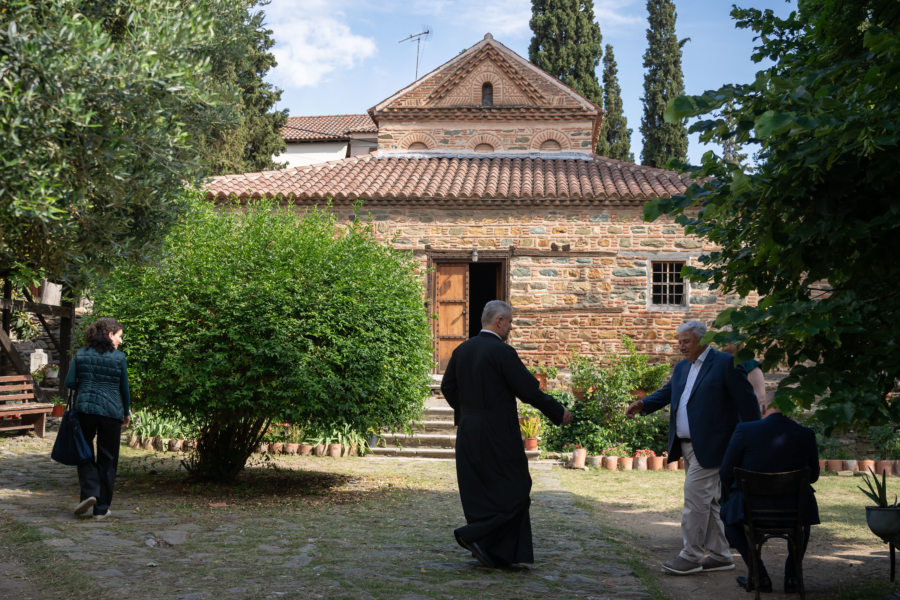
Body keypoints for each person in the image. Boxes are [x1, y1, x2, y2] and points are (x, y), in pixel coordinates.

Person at [441, 300, 573, 569]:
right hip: (498, 435)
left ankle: (491, 550)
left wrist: (467, 411)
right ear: (499, 321)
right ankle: (473, 536)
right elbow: (529, 391)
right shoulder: (502, 352)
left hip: (468, 432)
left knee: (479, 491)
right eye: (510, 322)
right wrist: (558, 411)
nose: (511, 327)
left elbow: (447, 387)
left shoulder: (461, 350)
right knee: (517, 489)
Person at [625, 320, 760, 575]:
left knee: (695, 498)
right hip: (687, 445)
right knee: (708, 503)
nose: (681, 346)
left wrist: (753, 440)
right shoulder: (682, 368)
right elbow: (667, 393)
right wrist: (643, 404)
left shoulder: (724, 364)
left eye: (686, 341)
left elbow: (749, 405)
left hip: (715, 446)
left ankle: (691, 555)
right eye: (679, 342)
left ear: (703, 340)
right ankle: (721, 555)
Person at [719, 392, 820, 594]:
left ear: (763, 408)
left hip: (750, 510)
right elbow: (814, 475)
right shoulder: (806, 434)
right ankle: (792, 577)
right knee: (804, 521)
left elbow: (725, 471)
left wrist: (731, 496)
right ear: (791, 411)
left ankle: (759, 574)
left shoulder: (745, 431)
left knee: (728, 517)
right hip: (793, 511)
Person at [65, 317, 131, 519]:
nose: (121, 341)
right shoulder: (119, 358)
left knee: (84, 452)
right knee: (108, 458)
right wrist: (126, 412)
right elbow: (124, 390)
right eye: (119, 336)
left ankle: (89, 493)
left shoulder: (81, 354)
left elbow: (69, 381)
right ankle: (101, 509)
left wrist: (86, 386)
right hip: (111, 412)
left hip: (85, 409)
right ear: (110, 335)